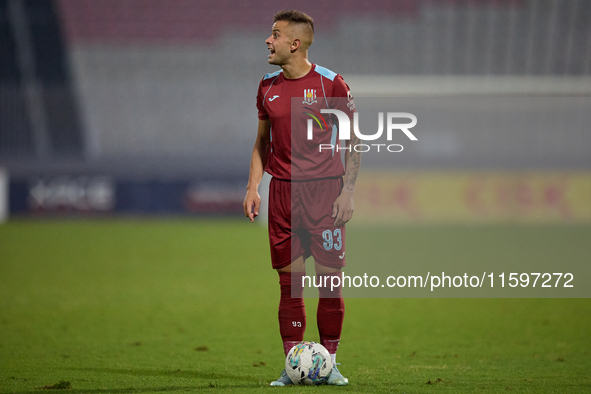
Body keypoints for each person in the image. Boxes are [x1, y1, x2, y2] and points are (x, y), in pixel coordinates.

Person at [243, 9, 360, 387]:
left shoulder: (331, 85)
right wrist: (252, 187)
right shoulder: (266, 85)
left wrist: (348, 191)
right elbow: (262, 142)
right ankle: (293, 365)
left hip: (325, 194)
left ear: (295, 43)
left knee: (329, 284)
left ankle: (331, 363)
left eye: (274, 34)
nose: (267, 40)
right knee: (290, 285)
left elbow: (354, 141)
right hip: (282, 196)